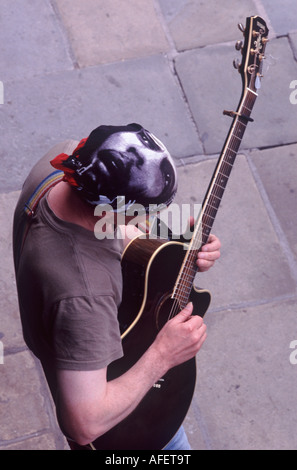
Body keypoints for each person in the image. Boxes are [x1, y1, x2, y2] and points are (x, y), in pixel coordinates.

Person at [13, 123, 221, 450]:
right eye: (142, 213)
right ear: (110, 212)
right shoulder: (84, 295)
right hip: (117, 431)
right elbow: (83, 424)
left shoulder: (66, 163)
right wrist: (163, 355)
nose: (147, 220)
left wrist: (175, 239)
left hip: (62, 331)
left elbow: (113, 227)